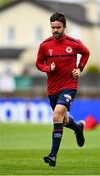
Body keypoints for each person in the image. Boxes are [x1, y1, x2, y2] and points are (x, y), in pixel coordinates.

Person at [36, 12, 90, 167]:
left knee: (56, 114)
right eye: (53, 27)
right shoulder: (45, 45)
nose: (55, 30)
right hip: (52, 88)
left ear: (65, 27)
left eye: (58, 27)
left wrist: (79, 69)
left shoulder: (74, 43)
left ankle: (52, 155)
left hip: (69, 86)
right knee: (63, 120)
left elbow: (86, 53)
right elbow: (38, 63)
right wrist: (47, 67)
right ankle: (78, 127)